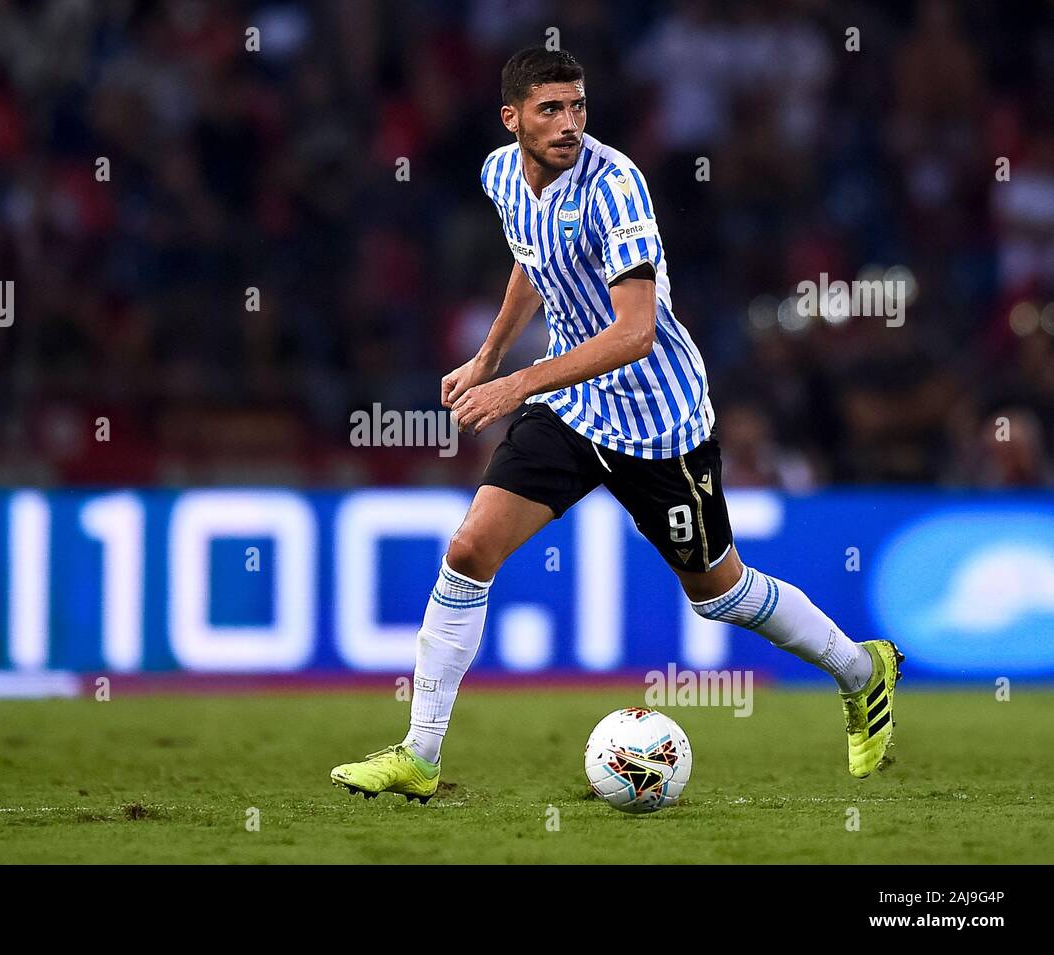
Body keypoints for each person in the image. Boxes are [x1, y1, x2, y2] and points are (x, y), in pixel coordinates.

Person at [330, 48, 902, 803]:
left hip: (660, 421)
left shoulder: (616, 186)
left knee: (718, 591)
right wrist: (487, 355)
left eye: (578, 107)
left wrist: (513, 385)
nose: (569, 124)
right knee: (469, 548)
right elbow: (533, 261)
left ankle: (863, 672)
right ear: (513, 120)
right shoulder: (501, 175)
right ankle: (420, 753)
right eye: (550, 110)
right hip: (573, 407)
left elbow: (634, 333)